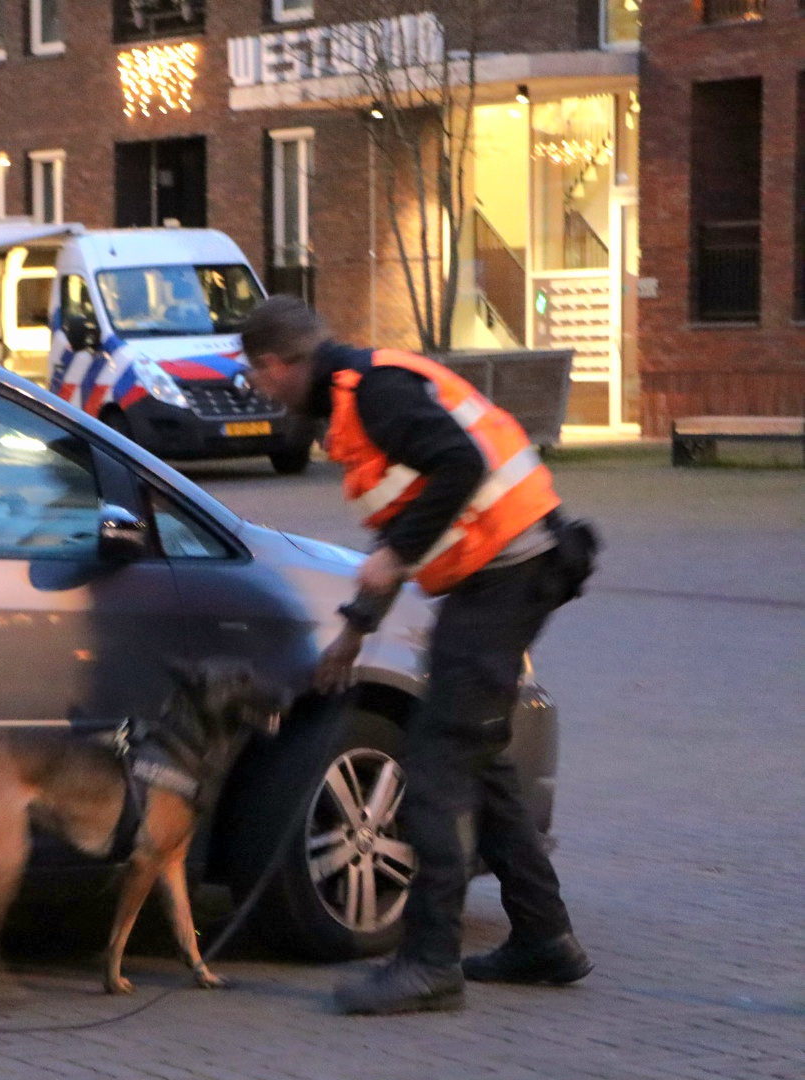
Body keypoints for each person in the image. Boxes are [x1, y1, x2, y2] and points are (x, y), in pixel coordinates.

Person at [239, 295, 595, 1016]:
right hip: (500, 577)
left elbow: (458, 465)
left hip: (510, 574)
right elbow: (406, 529)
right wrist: (353, 633)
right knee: (482, 754)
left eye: (258, 375)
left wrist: (396, 552)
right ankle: (544, 938)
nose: (259, 390)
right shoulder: (355, 406)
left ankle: (430, 964)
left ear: (279, 364)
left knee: (432, 766)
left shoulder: (374, 392)